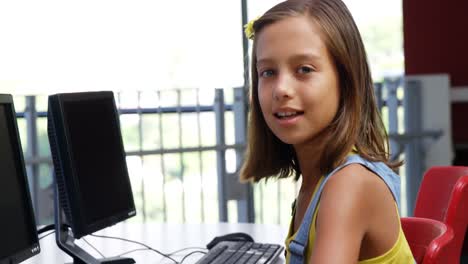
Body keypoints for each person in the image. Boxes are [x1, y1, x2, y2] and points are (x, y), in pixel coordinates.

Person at [239, 0, 415, 263]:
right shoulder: (319, 178)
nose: (281, 89)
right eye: (268, 72)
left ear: (346, 80)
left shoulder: (349, 184)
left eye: (304, 70)